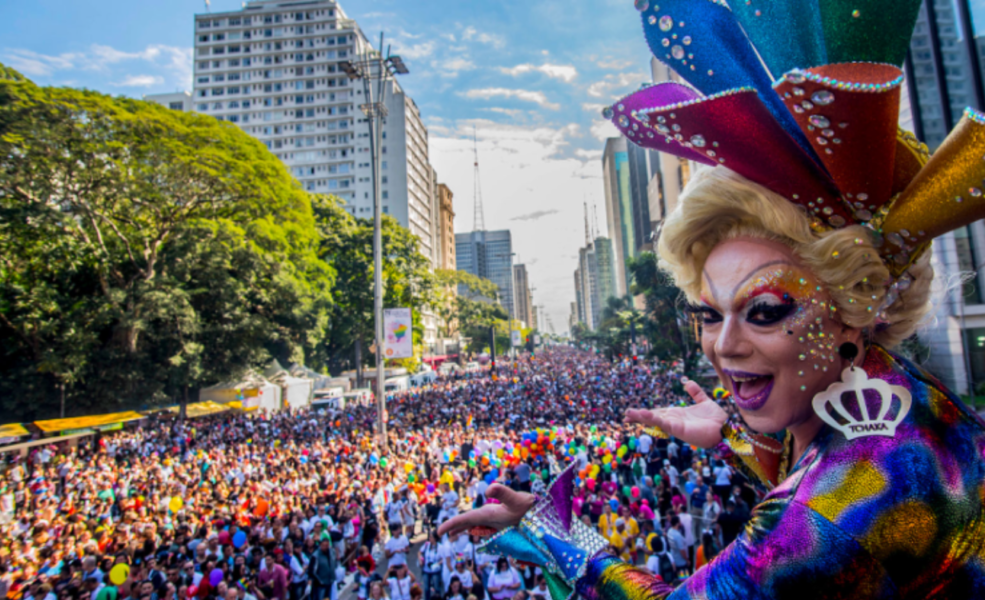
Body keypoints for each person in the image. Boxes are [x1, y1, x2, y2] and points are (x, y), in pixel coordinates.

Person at [439, 2, 985, 595]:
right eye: (706, 314)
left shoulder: (823, 516)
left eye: (766, 311)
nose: (722, 347)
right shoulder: (890, 393)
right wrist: (735, 435)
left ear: (855, 307)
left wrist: (551, 529)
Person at [419, 530, 444, 600]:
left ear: (435, 538)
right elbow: (419, 552)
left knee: (437, 588)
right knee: (426, 589)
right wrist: (420, 560)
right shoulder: (426, 545)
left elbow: (443, 558)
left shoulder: (440, 547)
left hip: (435, 571)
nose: (430, 538)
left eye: (431, 537)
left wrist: (437, 564)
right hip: (426, 570)